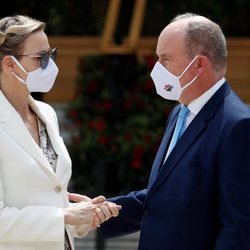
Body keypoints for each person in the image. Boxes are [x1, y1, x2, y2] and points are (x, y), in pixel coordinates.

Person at [69, 12, 250, 249]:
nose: (156, 68)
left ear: (198, 64)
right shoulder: (180, 112)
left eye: (165, 59)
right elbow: (166, 193)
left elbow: (240, 229)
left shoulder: (237, 126)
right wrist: (104, 212)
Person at [0, 14, 121, 250]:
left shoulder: (47, 114)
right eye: (41, 58)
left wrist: (84, 213)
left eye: (51, 55)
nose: (50, 65)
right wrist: (65, 215)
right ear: (9, 64)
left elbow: (49, 197)